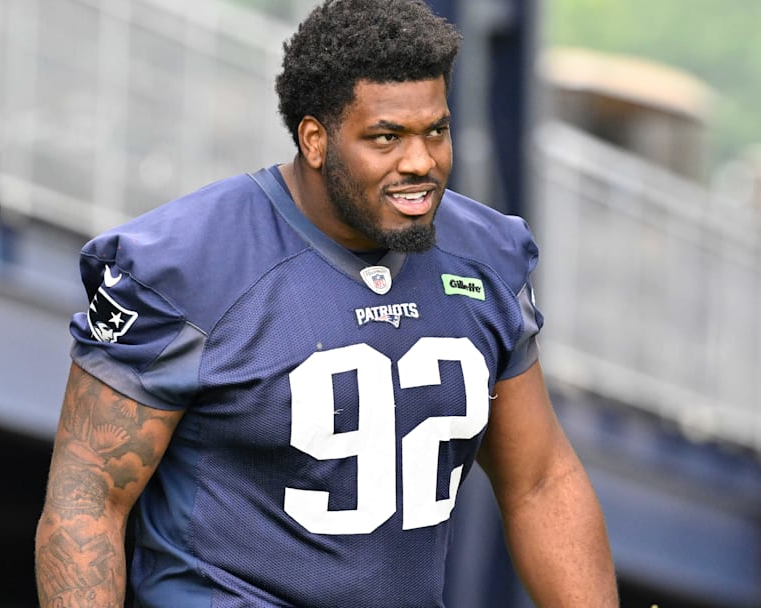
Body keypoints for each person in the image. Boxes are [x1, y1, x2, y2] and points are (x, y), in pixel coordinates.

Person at [34, 0, 618, 606]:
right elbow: (88, 499)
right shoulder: (186, 266)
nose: (420, 162)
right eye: (386, 138)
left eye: (435, 131)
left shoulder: (485, 255)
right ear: (315, 139)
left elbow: (541, 482)